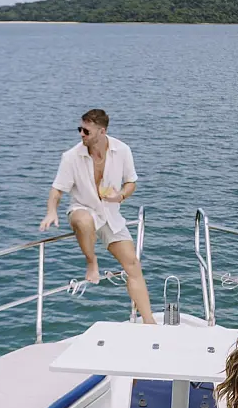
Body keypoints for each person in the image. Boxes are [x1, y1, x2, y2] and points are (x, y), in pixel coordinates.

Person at [39, 109, 155, 324]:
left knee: (133, 265)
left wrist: (120, 196)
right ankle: (91, 262)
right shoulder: (71, 157)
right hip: (82, 209)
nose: (81, 134)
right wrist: (51, 211)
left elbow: (131, 182)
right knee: (84, 220)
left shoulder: (122, 150)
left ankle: (150, 322)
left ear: (102, 131)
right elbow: (57, 190)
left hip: (110, 215)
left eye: (86, 131)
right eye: (80, 129)